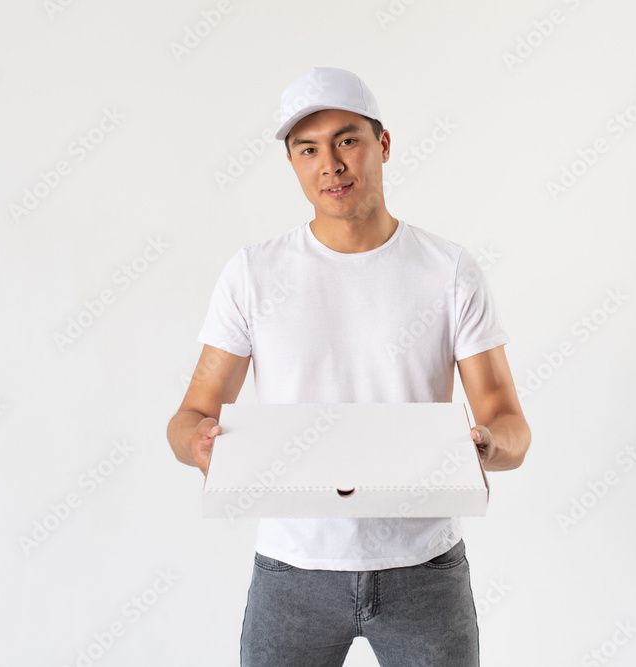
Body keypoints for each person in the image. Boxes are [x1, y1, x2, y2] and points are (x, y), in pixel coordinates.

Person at [167, 66, 531, 667]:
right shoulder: (253, 274)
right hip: (292, 570)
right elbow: (190, 416)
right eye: (308, 149)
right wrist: (201, 443)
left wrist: (487, 446)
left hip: (424, 567)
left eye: (347, 140)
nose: (330, 164)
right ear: (292, 162)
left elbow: (509, 424)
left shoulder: (448, 271)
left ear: (382, 144)